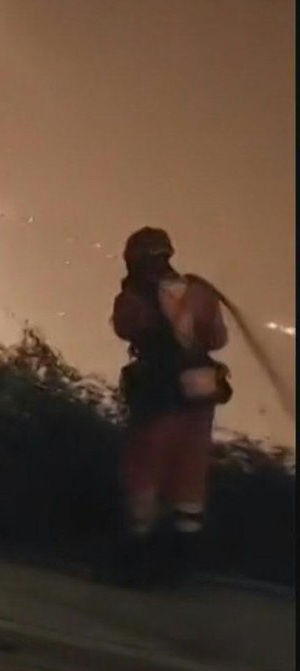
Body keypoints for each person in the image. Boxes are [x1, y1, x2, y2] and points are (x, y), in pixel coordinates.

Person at [109, 226, 231, 587]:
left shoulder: (133, 298)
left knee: (145, 472)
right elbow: (217, 338)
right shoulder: (200, 293)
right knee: (190, 478)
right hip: (200, 395)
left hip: (158, 395)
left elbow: (127, 328)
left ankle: (135, 565)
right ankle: (180, 570)